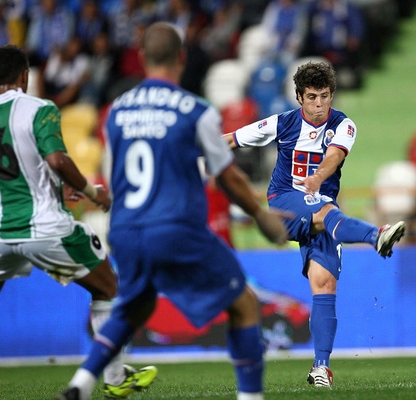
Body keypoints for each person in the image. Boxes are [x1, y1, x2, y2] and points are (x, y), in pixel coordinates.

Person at [58, 22, 288, 400]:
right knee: (245, 304)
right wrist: (260, 214)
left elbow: (116, 183)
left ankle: (80, 385)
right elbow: (226, 177)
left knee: (132, 308)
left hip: (127, 230)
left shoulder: (114, 113)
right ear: (181, 58)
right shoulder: (195, 110)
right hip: (175, 228)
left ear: (143, 59)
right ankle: (251, 397)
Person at [223, 61, 406, 387]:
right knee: (324, 211)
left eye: (324, 96)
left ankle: (321, 367)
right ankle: (374, 235)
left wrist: (319, 176)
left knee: (324, 284)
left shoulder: (344, 125)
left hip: (323, 210)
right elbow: (233, 139)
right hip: (284, 203)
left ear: (332, 95)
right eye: (312, 97)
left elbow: (335, 154)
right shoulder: (282, 123)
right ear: (299, 97)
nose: (319, 105)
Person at [0, 44, 157, 399]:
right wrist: (89, 191)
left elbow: (13, 173)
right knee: (108, 288)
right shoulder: (38, 108)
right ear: (25, 75)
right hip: (45, 228)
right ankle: (115, 377)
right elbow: (55, 159)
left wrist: (55, 190)